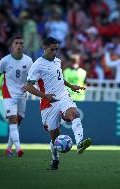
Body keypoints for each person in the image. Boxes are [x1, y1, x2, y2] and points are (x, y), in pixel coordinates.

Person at [25, 37, 91, 170]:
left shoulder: (57, 61)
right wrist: (45, 96)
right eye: (52, 49)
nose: (54, 52)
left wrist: (71, 86)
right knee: (54, 137)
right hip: (48, 103)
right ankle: (55, 161)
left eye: (56, 49)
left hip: (62, 95)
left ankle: (79, 143)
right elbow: (28, 86)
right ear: (44, 48)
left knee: (74, 113)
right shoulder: (37, 65)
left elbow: (58, 77)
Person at [0, 36, 33, 157]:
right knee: (12, 119)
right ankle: (19, 148)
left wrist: (30, 86)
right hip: (8, 93)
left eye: (21, 43)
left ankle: (8, 148)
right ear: (12, 46)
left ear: (23, 46)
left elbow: (32, 77)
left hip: (22, 94)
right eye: (16, 43)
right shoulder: (5, 60)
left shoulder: (28, 60)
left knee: (17, 121)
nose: (19, 45)